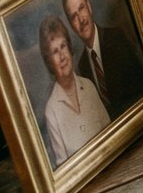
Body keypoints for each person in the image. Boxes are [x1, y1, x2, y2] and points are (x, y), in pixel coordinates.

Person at [62, 0, 143, 120]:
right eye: (73, 17)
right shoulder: (82, 65)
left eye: (82, 8)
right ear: (71, 25)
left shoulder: (117, 38)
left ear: (89, 7)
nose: (81, 19)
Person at [38, 15, 110, 167]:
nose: (62, 56)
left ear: (70, 49)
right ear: (49, 62)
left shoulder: (89, 86)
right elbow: (64, 166)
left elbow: (110, 133)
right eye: (55, 52)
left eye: (63, 46)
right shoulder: (52, 110)